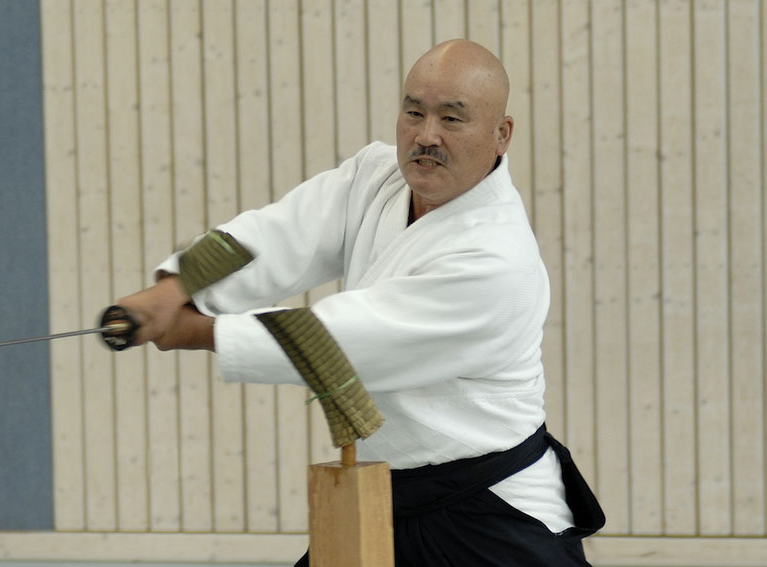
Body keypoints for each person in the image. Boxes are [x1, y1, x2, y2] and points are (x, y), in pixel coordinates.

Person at [117, 39, 604, 566]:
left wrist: (193, 331)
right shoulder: (376, 177)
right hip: (385, 496)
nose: (426, 136)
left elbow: (346, 340)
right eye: (413, 112)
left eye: (452, 119)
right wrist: (177, 288)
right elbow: (274, 236)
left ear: (501, 134)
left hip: (488, 511)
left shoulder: (498, 258)